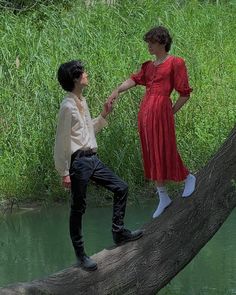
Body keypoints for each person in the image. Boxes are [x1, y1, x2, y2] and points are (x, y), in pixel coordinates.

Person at [54, 60, 143, 271]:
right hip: (78, 163)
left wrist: (104, 115)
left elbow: (85, 132)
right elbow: (61, 140)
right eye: (83, 73)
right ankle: (81, 255)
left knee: (121, 187)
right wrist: (64, 171)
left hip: (92, 159)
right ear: (75, 79)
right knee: (78, 207)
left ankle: (119, 232)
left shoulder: (81, 101)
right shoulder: (67, 106)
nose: (86, 74)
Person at [108, 26, 196, 219]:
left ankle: (187, 176)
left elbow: (185, 94)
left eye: (152, 42)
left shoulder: (176, 62)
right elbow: (134, 79)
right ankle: (163, 196)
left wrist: (170, 112)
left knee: (166, 148)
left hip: (162, 110)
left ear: (162, 43)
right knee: (151, 151)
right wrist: (117, 90)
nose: (148, 46)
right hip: (146, 114)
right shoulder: (148, 66)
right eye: (148, 42)